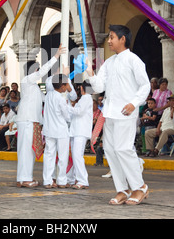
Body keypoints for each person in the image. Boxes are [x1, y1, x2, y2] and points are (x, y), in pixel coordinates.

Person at [86, 25, 150, 205]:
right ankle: (122, 189)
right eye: (108, 37)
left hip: (126, 112)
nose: (109, 41)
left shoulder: (133, 60)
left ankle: (140, 187)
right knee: (111, 151)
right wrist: (90, 71)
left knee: (124, 149)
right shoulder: (109, 62)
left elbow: (145, 86)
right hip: (110, 112)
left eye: (112, 37)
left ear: (123, 39)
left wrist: (134, 103)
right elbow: (99, 87)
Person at [15, 44, 65, 188]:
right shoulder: (27, 80)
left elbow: (47, 99)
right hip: (27, 120)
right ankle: (24, 178)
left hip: (32, 121)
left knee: (28, 149)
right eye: (37, 69)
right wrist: (56, 56)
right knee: (25, 150)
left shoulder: (34, 87)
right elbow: (43, 71)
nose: (38, 71)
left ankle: (23, 178)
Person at [42, 74, 72, 188]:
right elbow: (66, 116)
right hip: (60, 130)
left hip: (49, 129)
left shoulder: (49, 95)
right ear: (63, 87)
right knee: (62, 156)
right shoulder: (60, 98)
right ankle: (62, 181)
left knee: (49, 155)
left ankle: (48, 181)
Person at [68, 80, 93, 189]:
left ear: (82, 88)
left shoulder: (86, 98)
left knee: (77, 155)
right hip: (77, 130)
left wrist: (67, 107)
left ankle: (83, 180)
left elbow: (79, 111)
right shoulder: (84, 99)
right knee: (75, 155)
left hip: (81, 131)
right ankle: (71, 178)